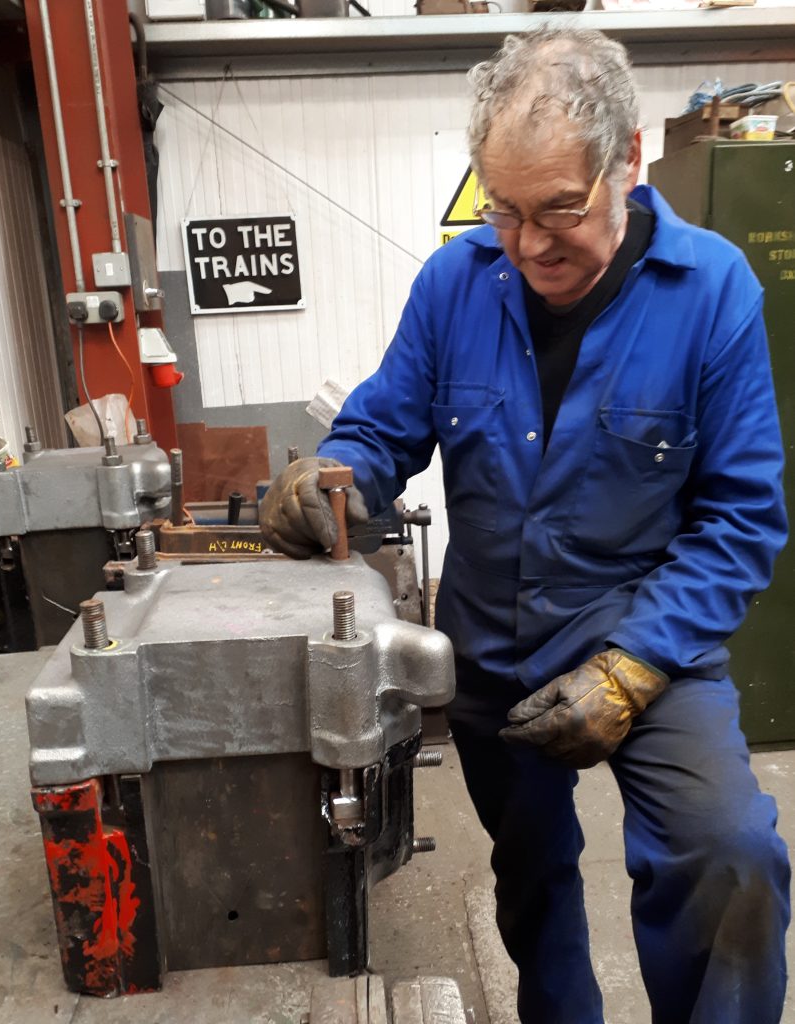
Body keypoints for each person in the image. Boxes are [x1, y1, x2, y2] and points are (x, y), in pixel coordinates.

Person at [259, 25, 791, 1024]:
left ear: (626, 162)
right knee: (531, 878)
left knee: (731, 857)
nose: (528, 243)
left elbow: (740, 518)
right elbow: (382, 427)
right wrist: (339, 477)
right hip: (494, 649)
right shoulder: (456, 284)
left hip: (649, 637)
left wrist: (630, 667)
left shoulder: (711, 293)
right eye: (502, 209)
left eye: (558, 210)